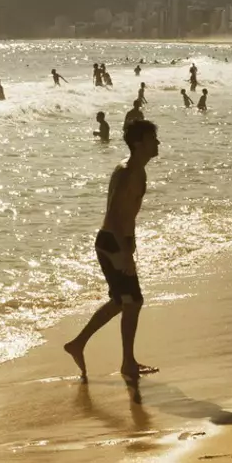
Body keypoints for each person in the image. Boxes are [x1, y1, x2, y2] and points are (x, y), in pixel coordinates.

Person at [62, 118, 159, 383]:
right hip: (112, 242)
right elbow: (114, 215)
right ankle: (126, 363)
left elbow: (128, 214)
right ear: (139, 143)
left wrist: (132, 241)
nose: (158, 143)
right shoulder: (127, 171)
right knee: (132, 301)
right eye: (153, 138)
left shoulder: (138, 171)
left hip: (119, 241)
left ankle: (78, 344)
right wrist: (125, 252)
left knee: (122, 301)